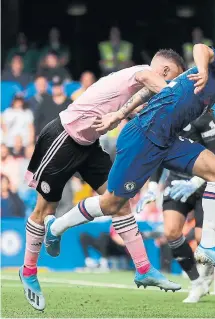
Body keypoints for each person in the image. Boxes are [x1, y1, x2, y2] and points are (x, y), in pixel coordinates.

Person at [48, 45, 215, 282]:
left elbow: (149, 93)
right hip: (142, 137)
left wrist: (119, 114)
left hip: (168, 140)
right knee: (112, 204)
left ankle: (208, 245)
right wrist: (203, 68)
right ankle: (56, 227)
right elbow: (201, 48)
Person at [19, 49, 185, 311]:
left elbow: (140, 110)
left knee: (119, 200)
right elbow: (164, 90)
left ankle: (143, 268)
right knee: (44, 210)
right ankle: (28, 271)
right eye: (172, 76)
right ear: (165, 72)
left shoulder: (134, 89)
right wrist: (186, 93)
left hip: (89, 145)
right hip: (63, 137)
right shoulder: (139, 73)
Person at [136, 109, 215, 303]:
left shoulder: (203, 117)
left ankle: (207, 267)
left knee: (202, 238)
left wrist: (195, 182)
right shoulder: (165, 118)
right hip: (176, 183)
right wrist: (151, 187)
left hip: (205, 183)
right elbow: (158, 154)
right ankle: (196, 282)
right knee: (171, 232)